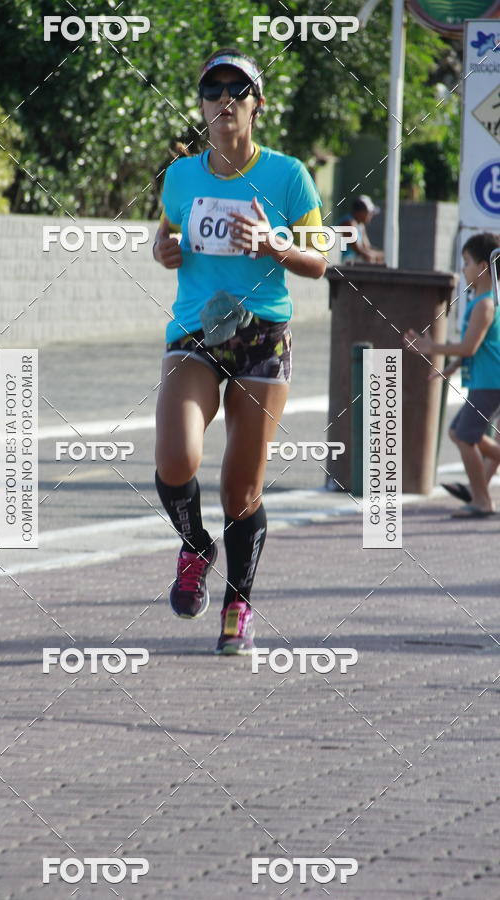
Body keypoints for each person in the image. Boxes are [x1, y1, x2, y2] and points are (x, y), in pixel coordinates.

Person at [152, 48, 327, 654]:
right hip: (195, 333)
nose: (224, 99)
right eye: (213, 90)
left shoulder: (288, 175)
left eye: (237, 90)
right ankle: (195, 545)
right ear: (201, 106)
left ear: (257, 105)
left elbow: (319, 260)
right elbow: (167, 237)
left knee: (240, 492)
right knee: (176, 459)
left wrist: (273, 243)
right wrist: (164, 251)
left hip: (262, 336)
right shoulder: (181, 176)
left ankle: (238, 603)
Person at [404, 232, 500, 518]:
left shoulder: (485, 304)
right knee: (459, 432)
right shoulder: (481, 301)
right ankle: (480, 493)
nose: (463, 268)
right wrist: (452, 366)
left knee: (464, 436)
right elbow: (479, 346)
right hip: (484, 381)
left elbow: (470, 347)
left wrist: (432, 347)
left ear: (483, 267)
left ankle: (482, 500)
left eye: (467, 262)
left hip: (490, 382)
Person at [339, 195, 384, 264]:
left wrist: (379, 255)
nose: (371, 215)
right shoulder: (348, 223)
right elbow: (359, 251)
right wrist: (375, 256)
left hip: (351, 263)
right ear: (360, 212)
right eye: (369, 212)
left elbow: (367, 248)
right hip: (341, 263)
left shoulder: (361, 225)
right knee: (371, 258)